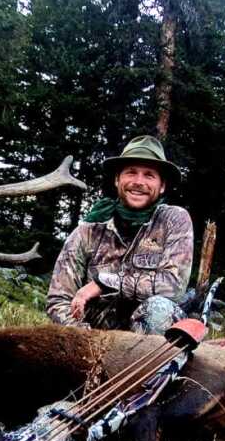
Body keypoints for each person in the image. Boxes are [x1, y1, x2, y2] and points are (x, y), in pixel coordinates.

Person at [47, 135, 194, 334]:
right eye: (131, 173)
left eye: (149, 175)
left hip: (145, 340)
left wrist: (103, 283)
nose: (138, 182)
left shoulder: (173, 220)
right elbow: (58, 300)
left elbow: (173, 287)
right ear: (117, 179)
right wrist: (84, 339)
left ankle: (151, 365)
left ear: (162, 186)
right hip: (92, 339)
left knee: (160, 309)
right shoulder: (87, 231)